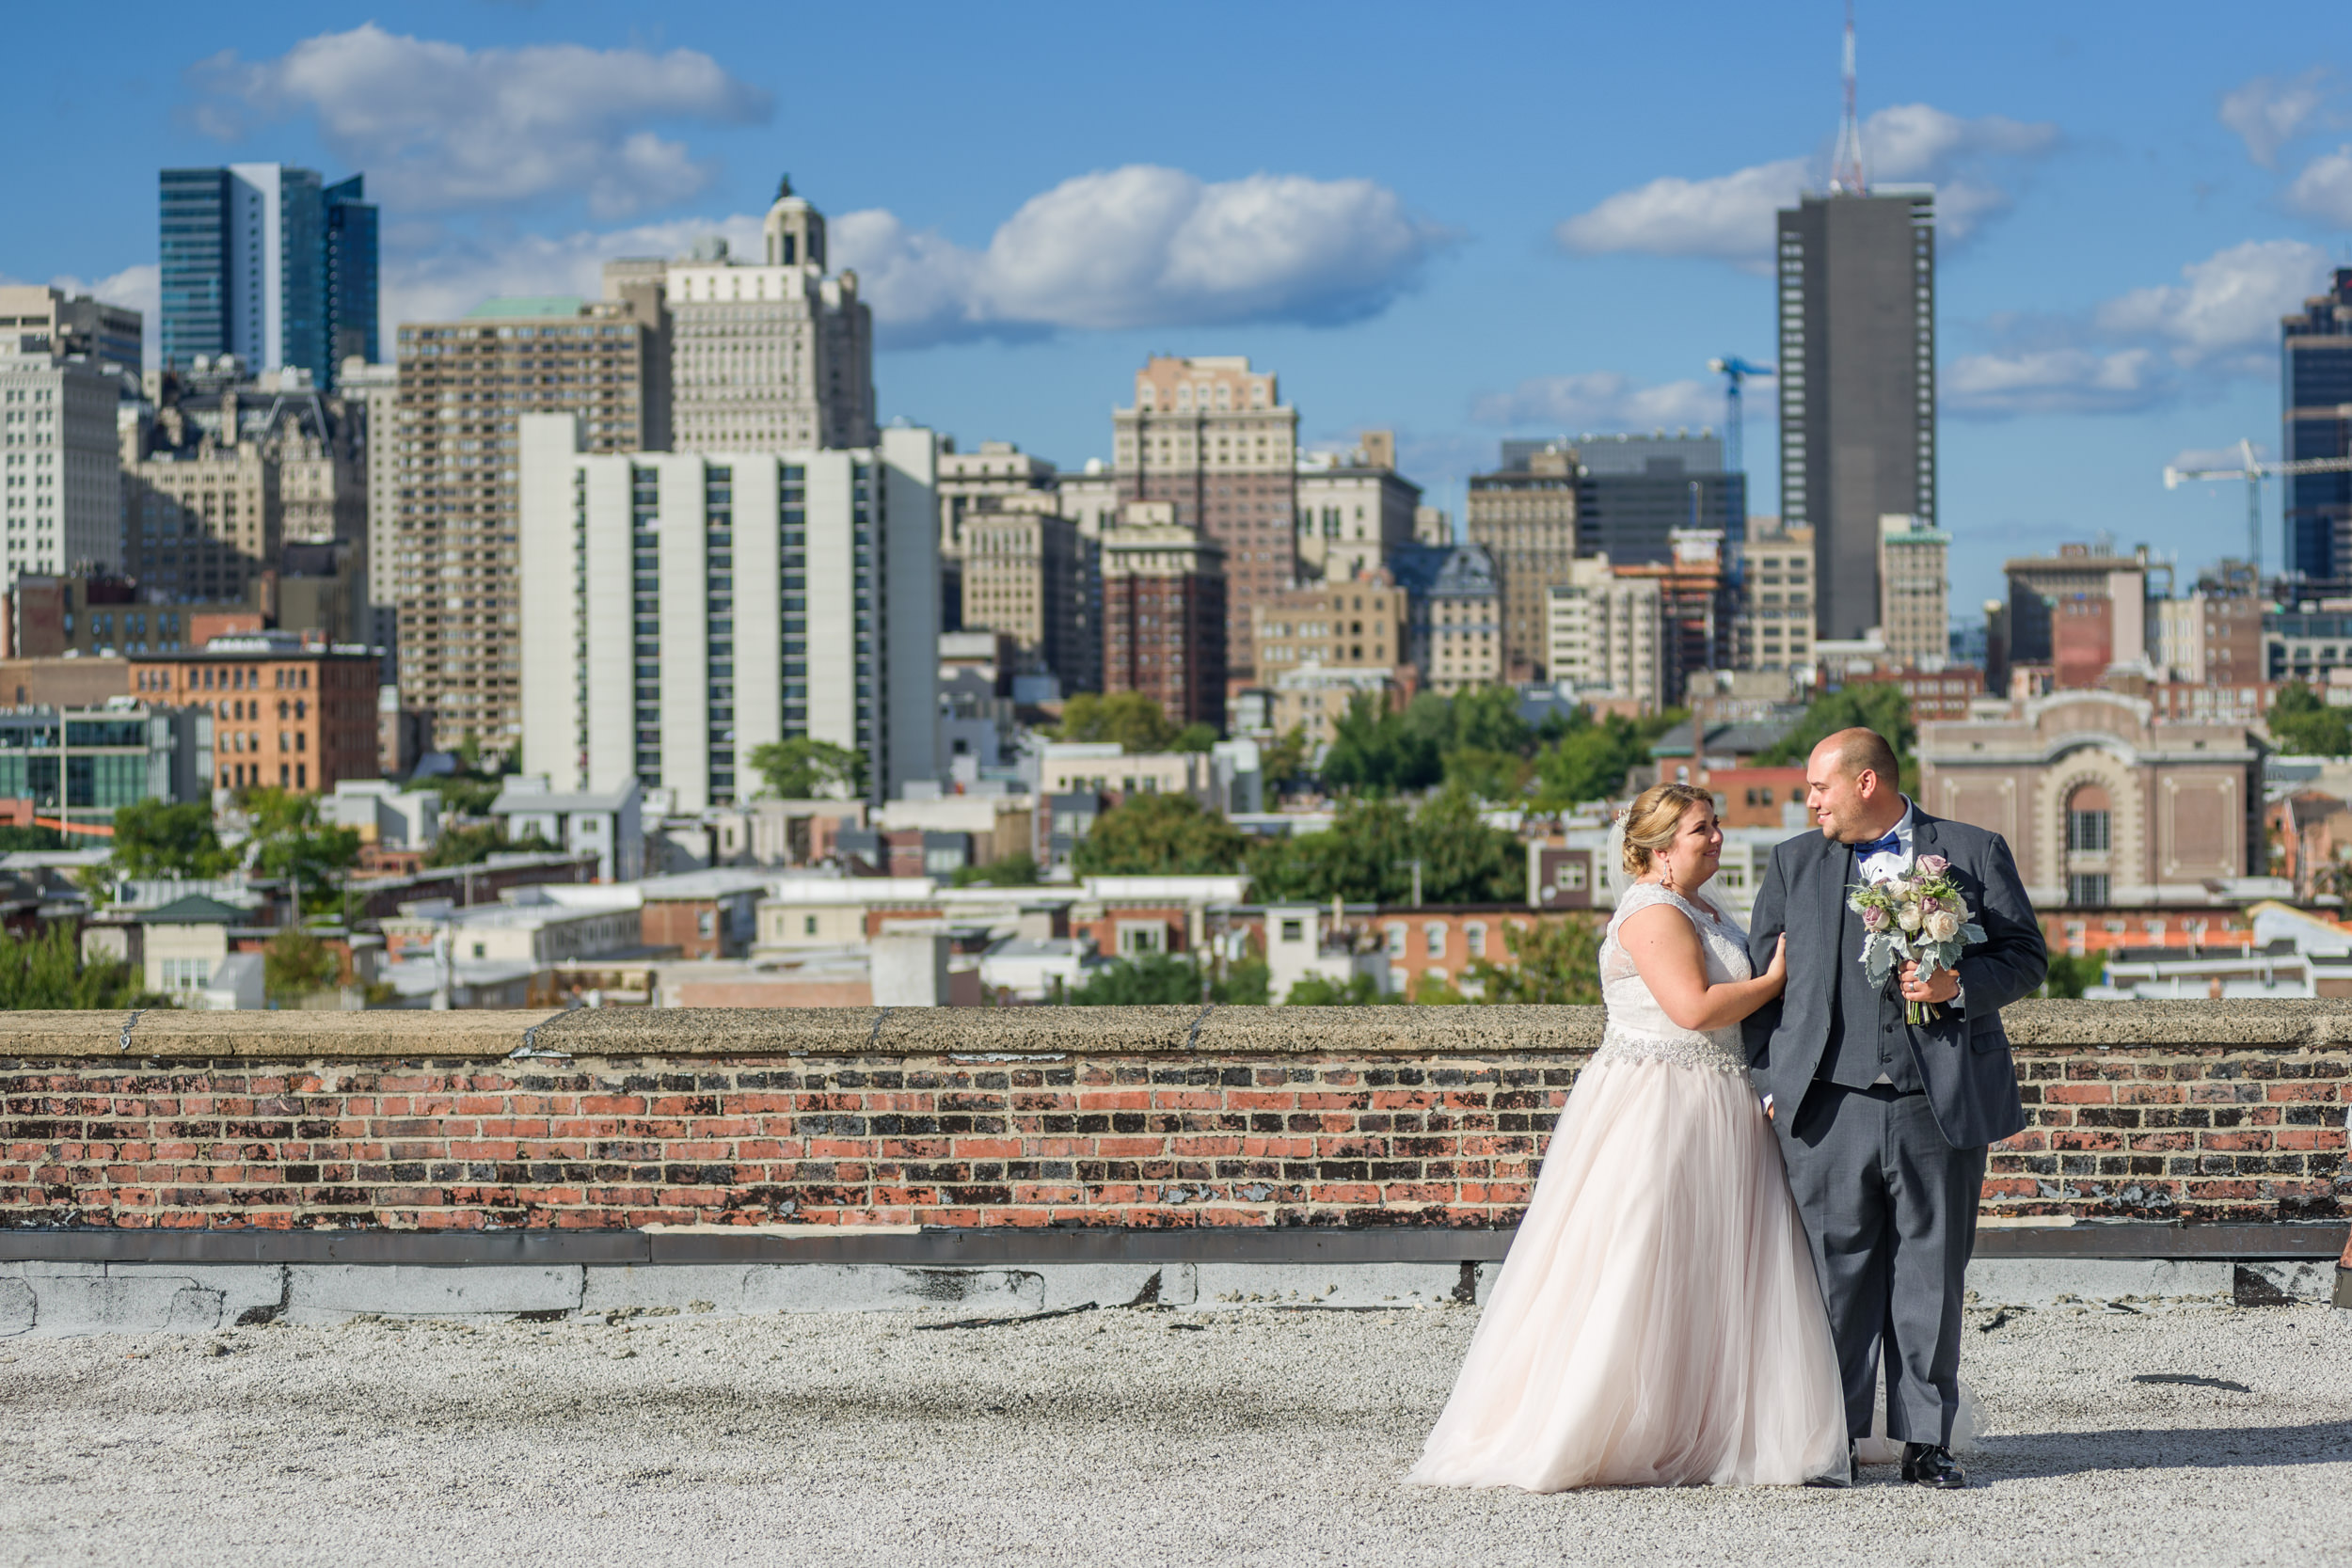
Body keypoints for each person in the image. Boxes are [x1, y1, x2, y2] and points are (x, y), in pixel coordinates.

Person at [1406, 783, 1848, 1491]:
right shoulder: (1651, 911)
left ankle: (1706, 1414)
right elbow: (1694, 1006)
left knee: (1716, 1264)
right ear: (1661, 848)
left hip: (1720, 1098)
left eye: (1716, 824)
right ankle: (1610, 1420)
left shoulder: (1701, 906)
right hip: (1660, 1102)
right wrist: (1774, 979)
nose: (1718, 838)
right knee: (1643, 1254)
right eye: (1703, 828)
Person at [1744, 728, 2046, 1490]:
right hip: (1827, 1108)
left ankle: (1925, 1442)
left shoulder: (1974, 851)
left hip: (1935, 1102)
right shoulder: (1793, 862)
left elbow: (2025, 955)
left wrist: (1959, 986)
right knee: (1831, 1279)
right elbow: (1761, 987)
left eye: (1820, 786)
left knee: (1931, 1277)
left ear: (1868, 783)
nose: (1808, 800)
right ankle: (1831, 1438)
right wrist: (1772, 1084)